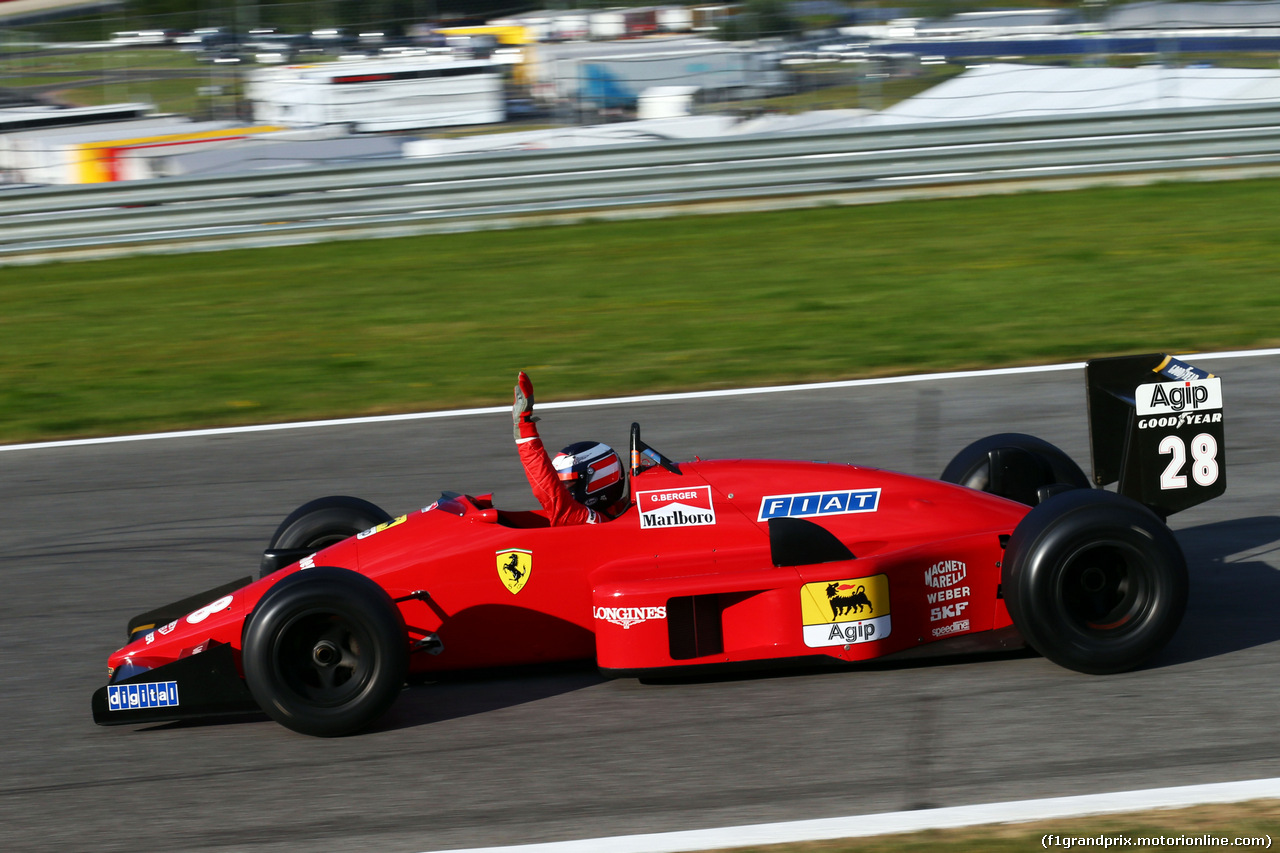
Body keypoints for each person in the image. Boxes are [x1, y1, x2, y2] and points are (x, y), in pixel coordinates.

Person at [512, 371, 627, 525]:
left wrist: (524, 427)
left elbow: (546, 489)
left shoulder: (581, 520)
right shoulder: (621, 512)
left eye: (568, 484)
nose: (561, 489)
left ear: (597, 481)